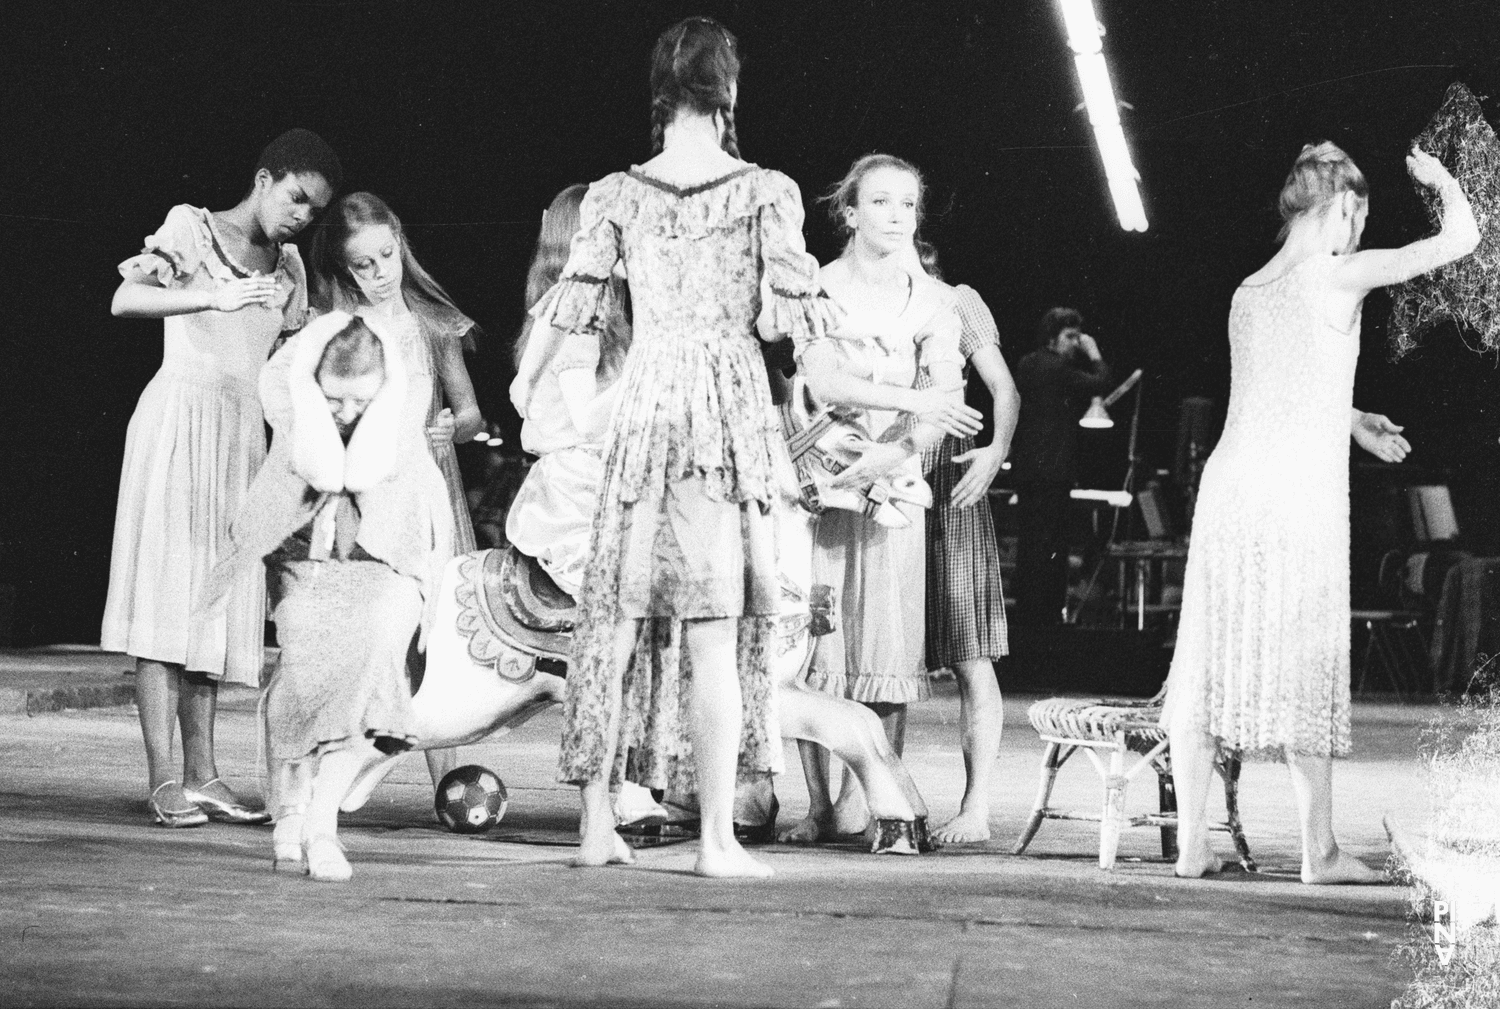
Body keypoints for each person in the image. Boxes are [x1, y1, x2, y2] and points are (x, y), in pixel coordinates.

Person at [524, 16, 835, 877]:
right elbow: (783, 318)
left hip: (646, 402)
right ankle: (715, 840)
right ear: (729, 90)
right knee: (713, 633)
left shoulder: (616, 193)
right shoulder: (766, 189)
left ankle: (595, 828)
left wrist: (527, 383)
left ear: (659, 92)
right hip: (721, 412)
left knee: (613, 623)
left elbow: (575, 301)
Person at [1162, 142, 1478, 882]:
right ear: (1347, 207)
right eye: (1361, 217)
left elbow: (1285, 385)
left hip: (1232, 487)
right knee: (1305, 656)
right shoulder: (1337, 272)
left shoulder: (1251, 288)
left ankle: (1190, 847)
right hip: (1295, 496)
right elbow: (1460, 240)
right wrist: (1443, 182)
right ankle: (1320, 850)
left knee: (1206, 659)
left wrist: (1356, 415)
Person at [104, 129, 340, 827]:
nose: (300, 215)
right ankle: (163, 776)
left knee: (211, 603)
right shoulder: (191, 226)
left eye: (313, 209)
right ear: (265, 179)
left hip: (241, 435)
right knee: (166, 594)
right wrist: (212, 295)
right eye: (295, 196)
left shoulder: (291, 265)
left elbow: (294, 356)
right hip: (181, 417)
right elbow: (125, 299)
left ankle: (206, 774)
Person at [198, 311, 450, 881]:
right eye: (333, 399)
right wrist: (313, 402)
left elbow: (373, 480)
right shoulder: (289, 391)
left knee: (371, 673)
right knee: (306, 679)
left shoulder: (400, 406)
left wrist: (374, 412)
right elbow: (317, 468)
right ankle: (292, 814)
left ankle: (321, 823)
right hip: (303, 562)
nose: (346, 413)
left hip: (384, 564)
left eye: (360, 400)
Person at [788, 153, 979, 841]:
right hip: (823, 484)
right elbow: (825, 378)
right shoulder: (816, 285)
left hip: (894, 485)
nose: (896, 217)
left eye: (906, 205)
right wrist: (892, 417)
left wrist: (894, 452)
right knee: (812, 644)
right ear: (848, 211)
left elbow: (946, 402)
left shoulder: (934, 300)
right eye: (880, 203)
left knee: (887, 646)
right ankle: (815, 803)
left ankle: (869, 798)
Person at [309, 191, 481, 790]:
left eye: (388, 255)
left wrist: (451, 426)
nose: (382, 273)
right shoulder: (338, 328)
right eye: (365, 264)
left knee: (434, 634)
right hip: (364, 496)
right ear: (342, 268)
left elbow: (470, 415)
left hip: (425, 493)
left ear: (401, 243)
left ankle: (448, 777)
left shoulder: (430, 323)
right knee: (360, 633)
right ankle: (331, 770)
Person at [507, 184, 665, 827]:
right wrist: (653, 372)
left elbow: (522, 395)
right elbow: (583, 414)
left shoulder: (583, 304)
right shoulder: (579, 309)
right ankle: (614, 788)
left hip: (599, 485)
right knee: (614, 635)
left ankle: (637, 778)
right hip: (577, 497)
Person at [910, 258, 1021, 845]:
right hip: (883, 471)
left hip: (949, 480)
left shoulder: (957, 298)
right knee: (873, 653)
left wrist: (996, 451)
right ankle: (876, 798)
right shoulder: (851, 291)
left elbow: (1004, 385)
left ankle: (976, 807)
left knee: (970, 653)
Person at [1009, 307, 1111, 626]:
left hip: (1027, 467)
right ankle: (1049, 618)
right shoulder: (1057, 368)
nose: (1074, 344)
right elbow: (1100, 381)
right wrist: (1093, 353)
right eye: (1069, 337)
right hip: (1053, 469)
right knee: (1053, 543)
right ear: (1052, 336)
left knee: (1031, 543)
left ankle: (1028, 615)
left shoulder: (1027, 364)